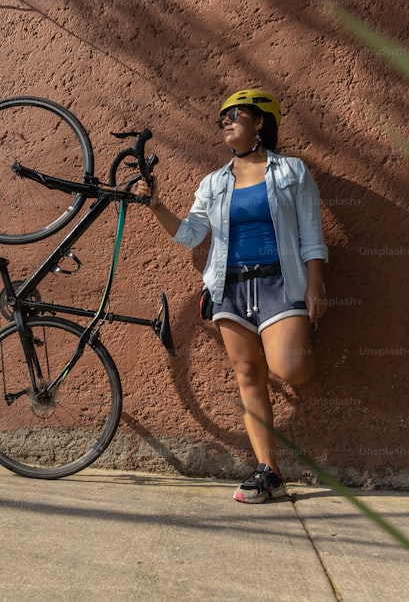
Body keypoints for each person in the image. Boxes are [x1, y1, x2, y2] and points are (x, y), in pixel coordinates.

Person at [134, 89, 328, 504]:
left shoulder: (292, 171)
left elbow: (311, 234)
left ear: (260, 121)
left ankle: (300, 346)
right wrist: (155, 205)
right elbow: (190, 234)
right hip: (229, 288)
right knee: (247, 374)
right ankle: (268, 470)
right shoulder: (213, 183)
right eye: (221, 116)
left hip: (282, 283)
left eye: (234, 114)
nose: (225, 121)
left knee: (290, 368)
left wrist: (315, 282)